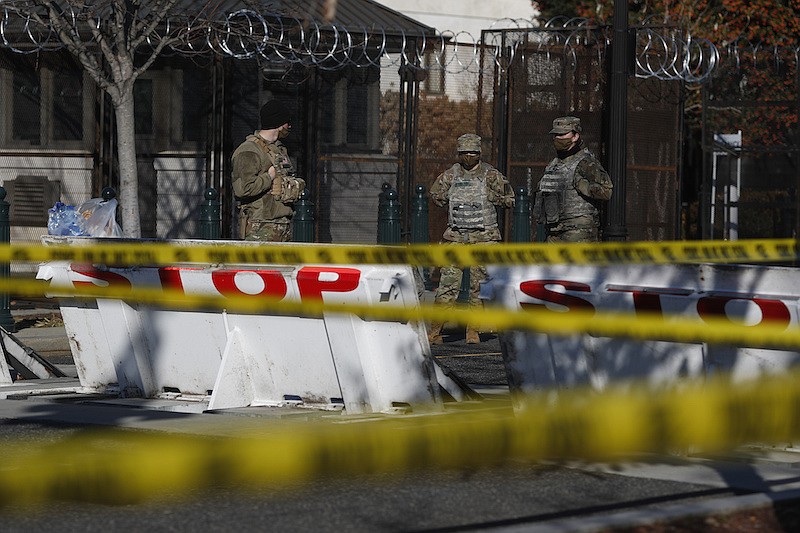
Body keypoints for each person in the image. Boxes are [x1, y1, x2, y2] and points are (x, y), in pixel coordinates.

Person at [427, 133, 515, 345]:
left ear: (479, 153)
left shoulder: (491, 175)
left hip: (483, 237)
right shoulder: (451, 175)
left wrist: (492, 197)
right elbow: (435, 194)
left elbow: (510, 199)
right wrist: (450, 199)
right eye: (465, 153)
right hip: (456, 236)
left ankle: (472, 330)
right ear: (459, 154)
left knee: (479, 286)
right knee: (447, 285)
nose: (468, 156)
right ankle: (435, 330)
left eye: (472, 153)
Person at [231, 100, 306, 241]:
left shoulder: (278, 150)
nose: (289, 126)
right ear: (278, 123)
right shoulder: (249, 150)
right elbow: (243, 189)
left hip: (283, 225)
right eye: (287, 122)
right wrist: (269, 177)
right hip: (260, 227)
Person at [533, 116, 613, 242]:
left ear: (575, 136)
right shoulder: (554, 164)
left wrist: (582, 185)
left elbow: (606, 191)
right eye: (556, 135)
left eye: (563, 134)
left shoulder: (586, 163)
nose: (558, 138)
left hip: (579, 234)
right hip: (554, 232)